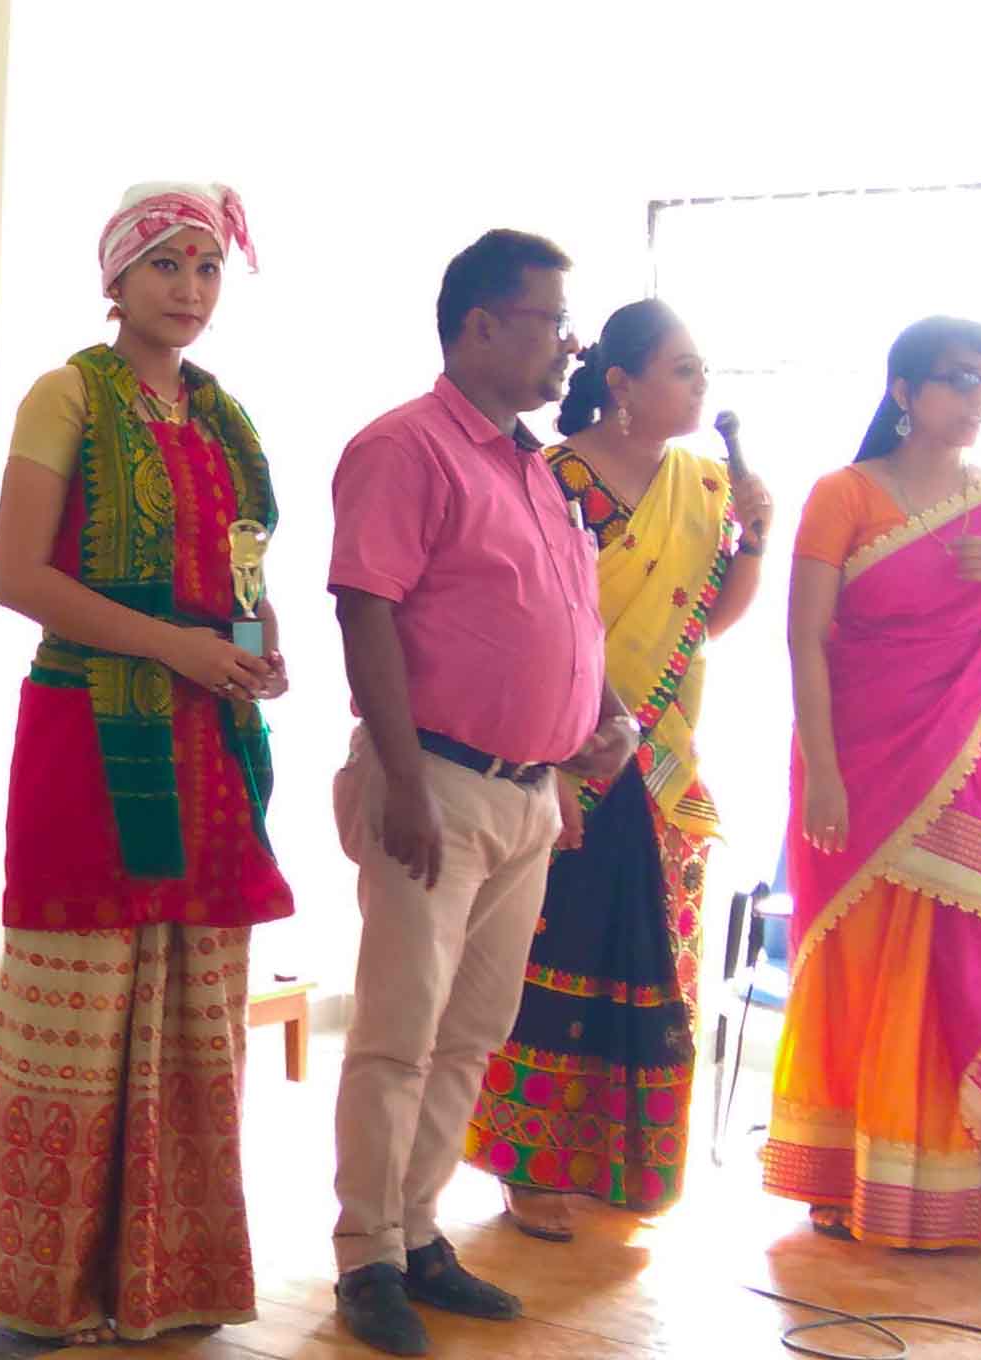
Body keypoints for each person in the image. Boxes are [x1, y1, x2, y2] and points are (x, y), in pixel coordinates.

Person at [0, 181, 294, 1345]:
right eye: (165, 263)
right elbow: (19, 576)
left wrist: (255, 650)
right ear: (114, 278)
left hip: (208, 739)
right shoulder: (66, 395)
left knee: (196, 1010)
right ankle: (53, 1287)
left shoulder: (224, 420)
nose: (189, 288)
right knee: (81, 1003)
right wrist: (176, 648)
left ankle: (170, 1281)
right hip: (91, 734)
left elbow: (241, 574)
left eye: (207, 267)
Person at [327, 230, 638, 1355]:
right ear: (480, 325)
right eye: (554, 322)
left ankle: (418, 1232)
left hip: (527, 798)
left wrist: (602, 719)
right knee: (399, 1034)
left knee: (470, 1034)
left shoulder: (533, 469)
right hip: (437, 786)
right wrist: (402, 780)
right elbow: (365, 607)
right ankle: (366, 1257)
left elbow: (567, 618)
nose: (571, 346)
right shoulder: (405, 448)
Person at [763, 315, 981, 1248]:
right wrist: (824, 773)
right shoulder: (844, 494)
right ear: (903, 392)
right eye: (959, 379)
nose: (977, 398)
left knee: (960, 957)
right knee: (857, 962)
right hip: (858, 762)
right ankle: (848, 1176)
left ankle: (948, 1184)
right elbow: (805, 639)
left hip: (971, 765)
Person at [464, 299, 773, 1241]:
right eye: (682, 368)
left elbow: (708, 621)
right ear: (621, 383)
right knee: (550, 956)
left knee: (646, 960)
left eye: (703, 369)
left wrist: (754, 539)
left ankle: (622, 1159)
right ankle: (528, 1165)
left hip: (659, 757)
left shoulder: (705, 485)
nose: (700, 384)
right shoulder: (553, 477)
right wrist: (559, 758)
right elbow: (529, 623)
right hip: (564, 752)